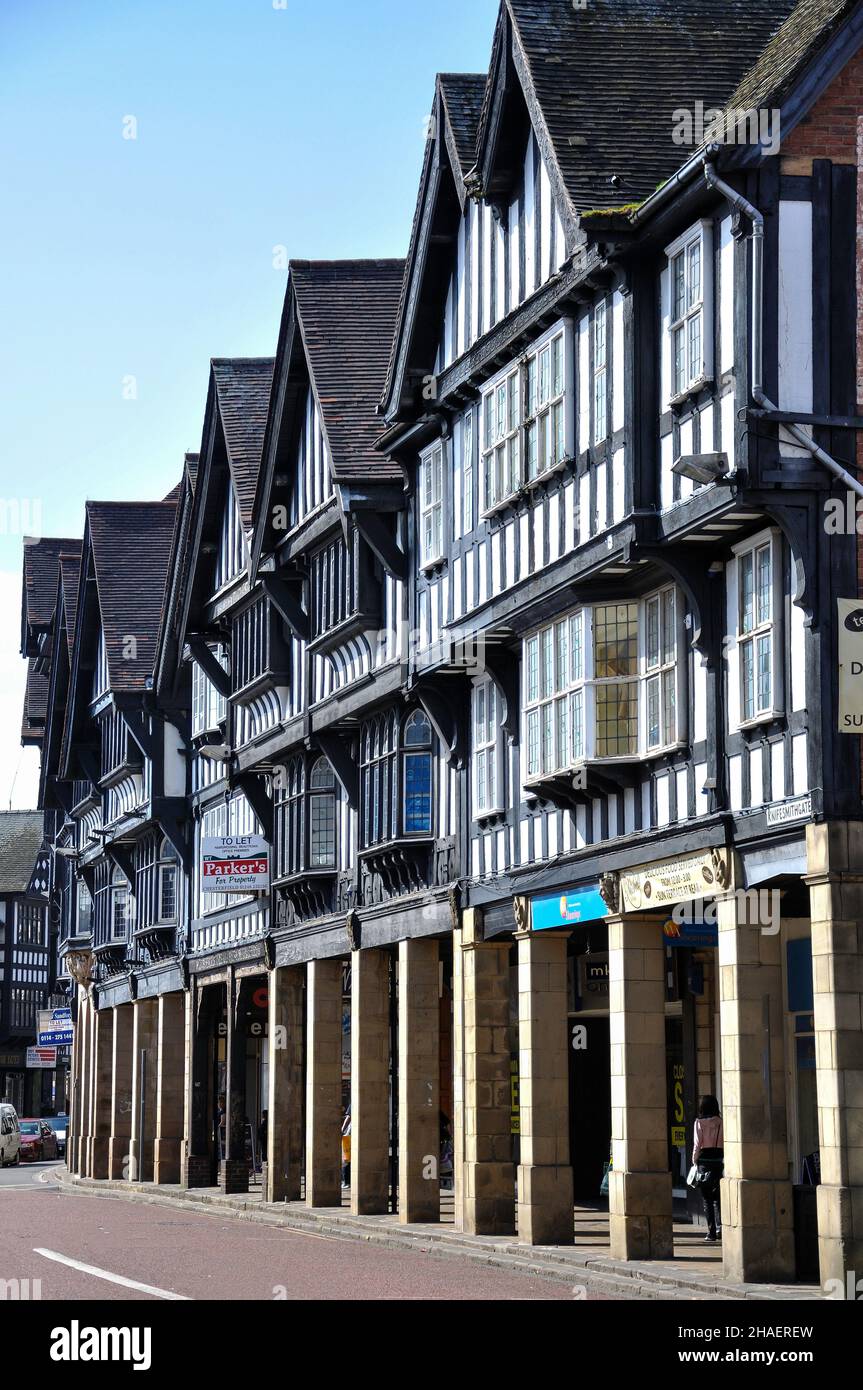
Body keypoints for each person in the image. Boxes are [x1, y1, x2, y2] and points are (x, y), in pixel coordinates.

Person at [693, 1094, 723, 1242]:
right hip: (718, 1160)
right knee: (718, 1197)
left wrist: (694, 1161)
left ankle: (711, 1232)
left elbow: (697, 1144)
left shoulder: (699, 1123)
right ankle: (720, 1228)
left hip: (704, 1160)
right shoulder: (721, 1122)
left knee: (707, 1199)